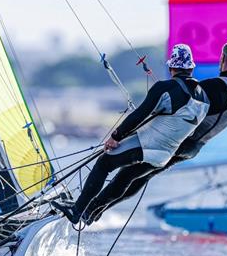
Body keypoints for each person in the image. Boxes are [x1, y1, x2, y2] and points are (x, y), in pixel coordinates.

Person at [81, 40, 227, 223]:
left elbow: (187, 97)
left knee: (127, 173)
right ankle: (95, 211)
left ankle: (89, 209)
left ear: (222, 58)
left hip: (179, 141)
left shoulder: (218, 86)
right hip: (192, 149)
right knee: (140, 176)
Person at [52, 44, 210, 224]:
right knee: (127, 177)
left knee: (104, 164)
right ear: (191, 67)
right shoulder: (204, 98)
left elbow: (139, 115)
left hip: (148, 146)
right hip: (166, 156)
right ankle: (91, 212)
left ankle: (77, 210)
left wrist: (116, 136)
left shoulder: (165, 88)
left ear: (171, 66)